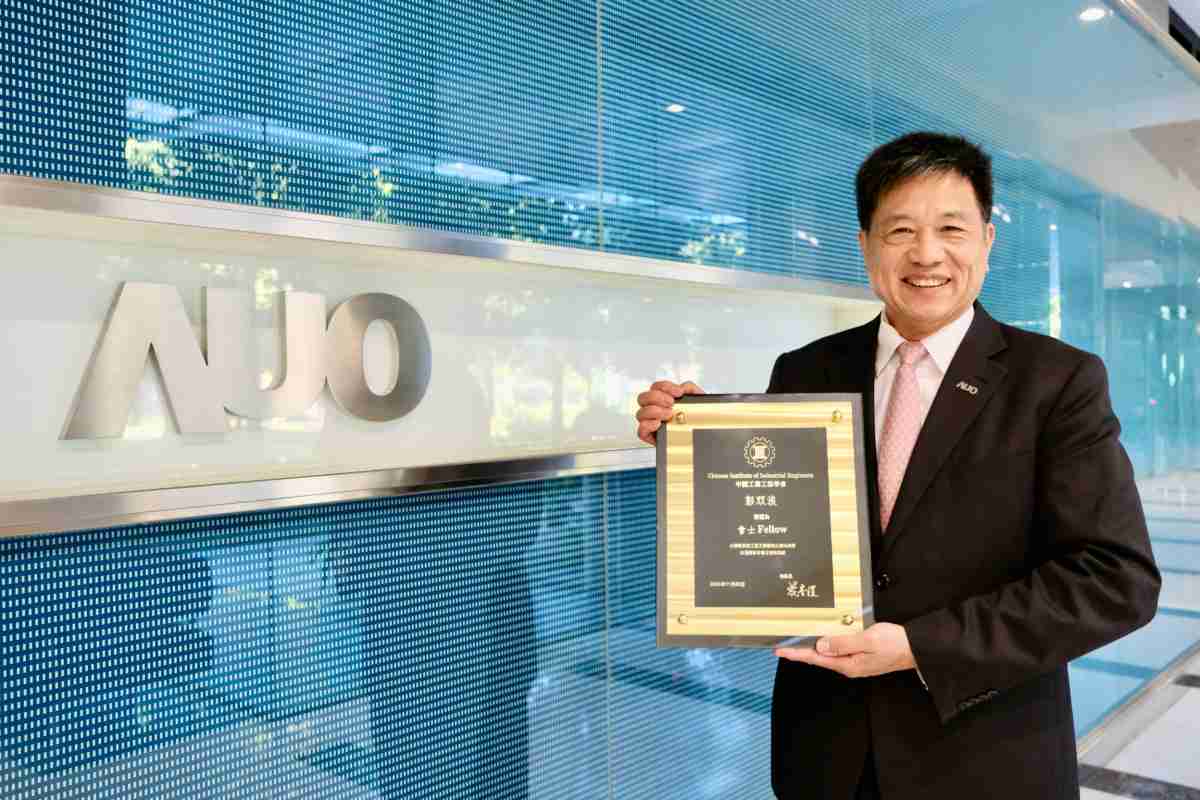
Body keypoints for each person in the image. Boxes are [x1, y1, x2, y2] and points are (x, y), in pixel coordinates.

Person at [634, 132, 1160, 800]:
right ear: (865, 245)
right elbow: (779, 532)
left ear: (987, 241)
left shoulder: (1056, 382)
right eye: (901, 230)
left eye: (951, 229)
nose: (927, 254)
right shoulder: (806, 371)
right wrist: (697, 447)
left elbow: (1115, 580)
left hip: (984, 758)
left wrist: (920, 646)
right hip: (826, 753)